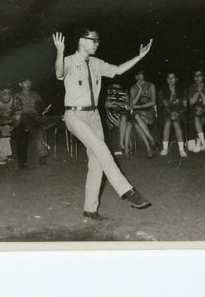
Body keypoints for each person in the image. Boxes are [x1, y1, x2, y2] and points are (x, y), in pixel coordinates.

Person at [53, 29, 152, 221]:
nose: (97, 43)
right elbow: (58, 74)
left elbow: (118, 70)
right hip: (74, 115)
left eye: (99, 40)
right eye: (94, 40)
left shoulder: (97, 63)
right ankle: (127, 191)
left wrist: (139, 57)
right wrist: (59, 51)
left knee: (97, 161)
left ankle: (90, 209)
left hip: (94, 115)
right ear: (82, 40)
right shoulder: (70, 61)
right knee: (102, 149)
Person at [14, 78, 56, 166]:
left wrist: (45, 110)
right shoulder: (16, 96)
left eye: (29, 82)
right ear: (20, 84)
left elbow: (41, 107)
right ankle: (41, 158)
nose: (28, 84)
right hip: (24, 117)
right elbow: (14, 110)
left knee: (55, 119)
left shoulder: (35, 94)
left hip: (36, 116)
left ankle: (42, 156)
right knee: (38, 130)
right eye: (25, 82)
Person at [0, 84, 25, 167]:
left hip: (12, 123)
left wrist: (12, 127)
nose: (7, 95)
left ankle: (22, 163)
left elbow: (18, 120)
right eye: (4, 93)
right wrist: (1, 128)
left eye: (9, 93)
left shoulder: (16, 101)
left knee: (21, 135)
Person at [158, 72, 188, 157]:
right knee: (167, 123)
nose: (170, 80)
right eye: (168, 78)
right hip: (168, 112)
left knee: (176, 123)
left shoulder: (182, 90)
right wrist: (171, 113)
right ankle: (165, 148)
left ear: (176, 79)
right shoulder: (163, 92)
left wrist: (178, 113)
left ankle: (181, 149)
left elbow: (185, 107)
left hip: (180, 112)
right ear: (167, 80)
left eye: (173, 77)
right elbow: (166, 106)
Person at [129, 70, 157, 158]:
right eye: (137, 75)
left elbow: (153, 102)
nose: (139, 77)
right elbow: (132, 104)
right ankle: (151, 141)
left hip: (149, 112)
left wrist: (139, 107)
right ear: (135, 77)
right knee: (136, 118)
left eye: (141, 74)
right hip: (137, 113)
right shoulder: (133, 88)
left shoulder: (151, 85)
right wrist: (140, 90)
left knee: (136, 123)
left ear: (143, 75)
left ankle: (149, 148)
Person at [187, 70, 205, 153]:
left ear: (203, 77)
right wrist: (196, 109)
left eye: (199, 75)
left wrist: (203, 110)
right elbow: (190, 103)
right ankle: (204, 143)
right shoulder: (192, 88)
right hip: (196, 112)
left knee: (198, 120)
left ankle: (200, 143)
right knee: (196, 118)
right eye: (195, 75)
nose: (197, 77)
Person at [104, 83, 132, 156]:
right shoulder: (108, 89)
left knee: (128, 123)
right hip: (111, 113)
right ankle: (124, 148)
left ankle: (123, 146)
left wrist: (115, 103)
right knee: (128, 124)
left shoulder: (125, 90)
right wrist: (120, 104)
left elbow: (127, 106)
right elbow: (106, 104)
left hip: (123, 113)